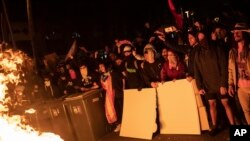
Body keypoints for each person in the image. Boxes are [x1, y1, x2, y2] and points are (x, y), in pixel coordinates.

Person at [194, 31, 235, 135]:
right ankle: (214, 126)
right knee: (212, 104)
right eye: (199, 39)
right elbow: (197, 71)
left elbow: (224, 66)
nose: (202, 41)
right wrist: (199, 86)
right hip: (208, 85)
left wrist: (223, 84)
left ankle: (234, 127)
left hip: (220, 82)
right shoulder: (197, 53)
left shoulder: (217, 48)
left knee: (226, 103)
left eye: (203, 38)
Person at [228, 22, 250, 125]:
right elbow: (231, 70)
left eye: (238, 32)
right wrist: (230, 84)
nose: (235, 34)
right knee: (247, 112)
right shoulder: (233, 51)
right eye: (234, 32)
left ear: (244, 33)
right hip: (241, 88)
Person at [99, 62, 125, 132]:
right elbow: (104, 86)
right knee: (114, 109)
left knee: (120, 107)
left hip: (117, 92)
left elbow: (121, 78)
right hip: (109, 94)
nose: (101, 68)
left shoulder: (112, 72)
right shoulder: (103, 76)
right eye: (100, 67)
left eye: (102, 66)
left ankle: (124, 123)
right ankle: (119, 124)